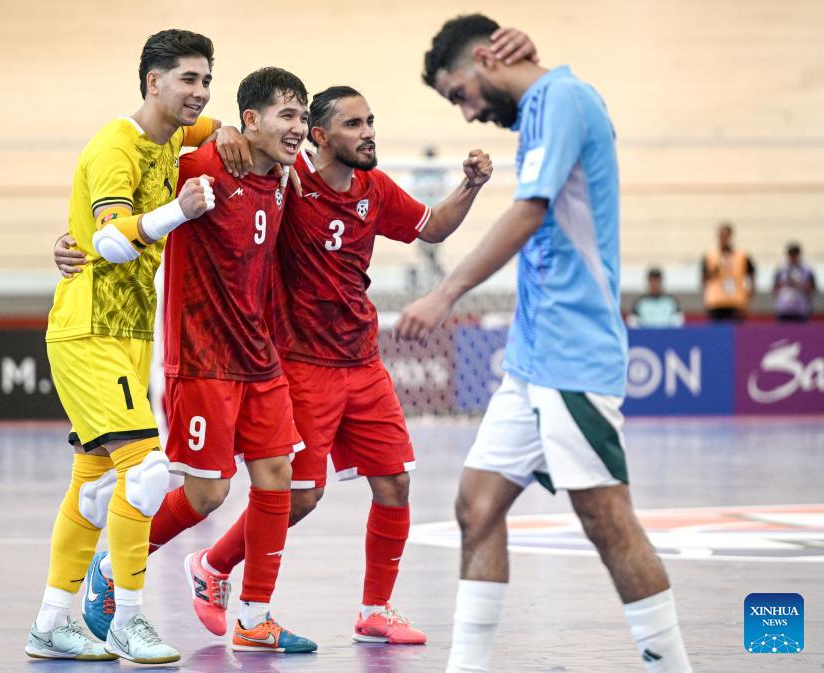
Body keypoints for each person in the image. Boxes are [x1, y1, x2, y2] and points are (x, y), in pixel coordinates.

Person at [396, 14, 692, 673]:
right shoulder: (536, 111)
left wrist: (446, 293)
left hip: (573, 352)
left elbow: (529, 211)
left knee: (606, 517)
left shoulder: (564, 99)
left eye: (460, 94)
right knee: (476, 506)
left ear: (484, 58)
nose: (468, 114)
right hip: (531, 359)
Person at [179, 83, 496, 647]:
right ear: (320, 136)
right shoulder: (289, 178)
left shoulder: (376, 187)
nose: (369, 133)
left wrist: (470, 186)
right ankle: (213, 565)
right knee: (300, 496)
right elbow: (247, 147)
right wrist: (222, 130)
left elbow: (432, 227)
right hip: (301, 364)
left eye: (370, 121)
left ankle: (375, 610)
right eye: (354, 124)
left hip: (364, 361)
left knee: (395, 483)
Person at [84, 66, 318, 654]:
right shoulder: (199, 167)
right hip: (203, 358)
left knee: (278, 479)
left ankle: (254, 616)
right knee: (207, 495)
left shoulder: (283, 175)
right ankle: (113, 566)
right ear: (251, 120)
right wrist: (72, 245)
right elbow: (125, 209)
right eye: (287, 115)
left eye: (303, 116)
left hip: (260, 358)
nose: (298, 127)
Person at [32, 28, 221, 664]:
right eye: (188, 79)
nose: (199, 92)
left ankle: (48, 626)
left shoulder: (175, 135)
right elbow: (111, 241)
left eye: (206, 80)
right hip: (89, 331)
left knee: (93, 490)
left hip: (131, 332)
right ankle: (127, 621)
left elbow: (226, 130)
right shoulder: (115, 145)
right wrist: (180, 210)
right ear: (152, 82)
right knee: (145, 473)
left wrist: (244, 133)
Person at [701, 221, 755, 321]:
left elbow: (751, 276)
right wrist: (714, 271)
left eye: (726, 236)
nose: (723, 239)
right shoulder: (710, 255)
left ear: (731, 236)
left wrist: (749, 298)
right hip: (715, 301)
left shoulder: (742, 255)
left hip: (736, 301)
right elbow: (703, 279)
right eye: (721, 236)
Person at [773, 242, 816, 322]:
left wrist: (799, 285)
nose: (793, 257)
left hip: (801, 310)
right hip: (784, 309)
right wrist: (785, 283)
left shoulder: (807, 270)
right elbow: (775, 289)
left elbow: (812, 290)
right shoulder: (781, 269)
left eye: (795, 254)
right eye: (791, 254)